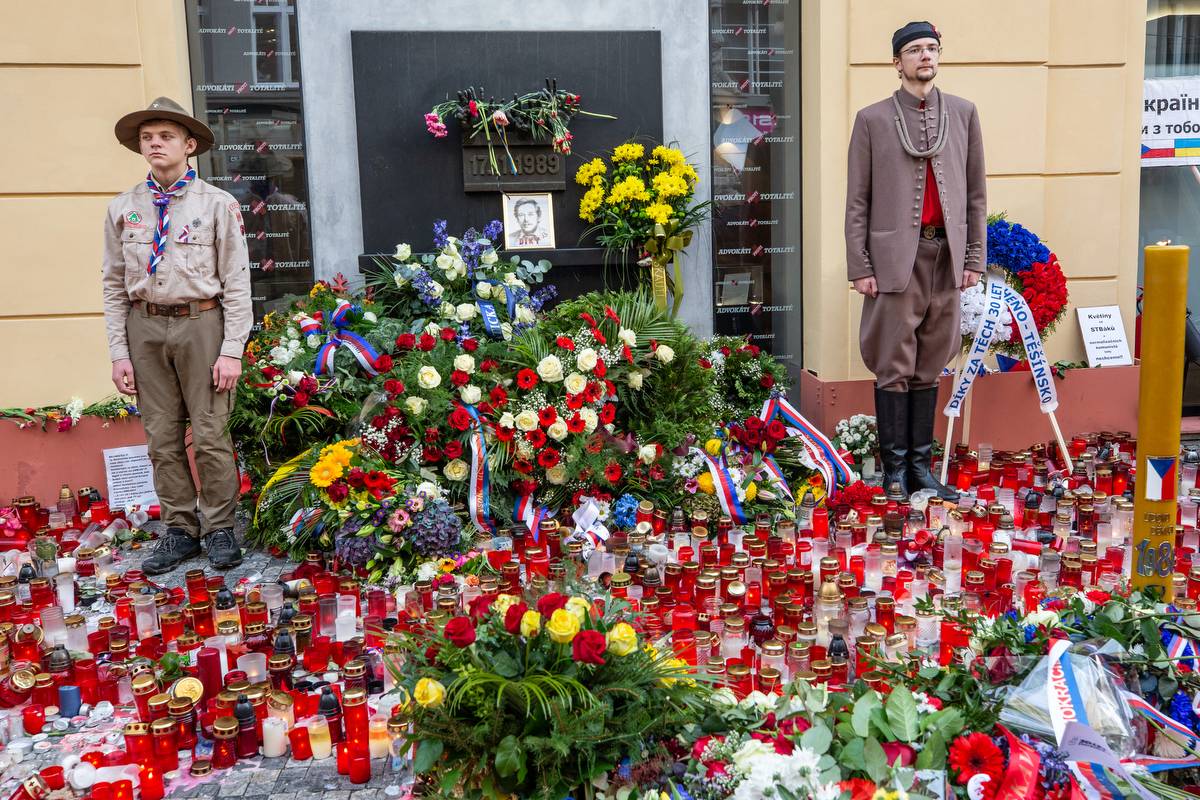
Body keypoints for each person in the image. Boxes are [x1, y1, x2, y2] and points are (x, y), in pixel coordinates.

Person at [103, 97, 252, 574]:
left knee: (210, 433)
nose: (155, 144)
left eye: (165, 137)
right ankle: (180, 530)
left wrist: (231, 350)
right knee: (161, 436)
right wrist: (118, 352)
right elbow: (111, 285)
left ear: (189, 146)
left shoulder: (217, 205)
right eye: (148, 138)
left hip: (200, 323)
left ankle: (221, 526)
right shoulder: (123, 208)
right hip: (144, 326)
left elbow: (237, 280)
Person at [845, 21, 986, 500]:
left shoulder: (964, 114)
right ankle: (894, 472)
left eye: (932, 48)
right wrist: (860, 265)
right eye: (915, 50)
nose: (926, 56)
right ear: (897, 61)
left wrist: (974, 258)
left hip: (945, 258)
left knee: (931, 363)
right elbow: (857, 201)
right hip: (891, 261)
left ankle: (922, 470)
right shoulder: (872, 119)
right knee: (893, 363)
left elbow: (975, 198)